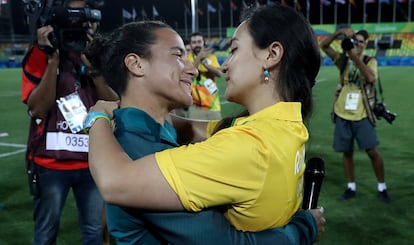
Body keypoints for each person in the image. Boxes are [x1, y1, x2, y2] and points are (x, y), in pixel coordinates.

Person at [87, 4, 323, 241]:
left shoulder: (249, 143)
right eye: (179, 55)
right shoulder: (288, 125)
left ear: (271, 55)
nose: (222, 65)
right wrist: (303, 228)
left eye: (234, 49)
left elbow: (115, 180)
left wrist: (99, 116)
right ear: (136, 64)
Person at [21, 0, 118, 244]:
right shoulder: (40, 54)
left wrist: (92, 65)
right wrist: (52, 60)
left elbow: (115, 103)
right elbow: (39, 108)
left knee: (94, 233)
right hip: (50, 163)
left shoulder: (99, 56)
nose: (77, 23)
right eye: (71, 16)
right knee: (45, 234)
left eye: (82, 18)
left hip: (91, 162)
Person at [319, 28, 391, 203]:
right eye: (355, 41)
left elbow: (371, 77)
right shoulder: (343, 61)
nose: (358, 44)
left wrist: (354, 55)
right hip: (342, 113)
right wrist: (339, 33)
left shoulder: (369, 60)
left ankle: (382, 186)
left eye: (361, 42)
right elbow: (324, 45)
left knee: (373, 151)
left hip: (362, 114)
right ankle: (351, 186)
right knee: (347, 152)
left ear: (365, 45)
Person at [187, 32, 223, 120]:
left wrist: (204, 62)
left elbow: (219, 73)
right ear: (191, 45)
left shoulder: (211, 57)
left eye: (199, 42)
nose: (197, 44)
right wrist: (199, 57)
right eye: (194, 42)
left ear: (204, 43)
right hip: (195, 107)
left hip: (213, 106)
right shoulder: (187, 58)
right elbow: (190, 73)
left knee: (215, 132)